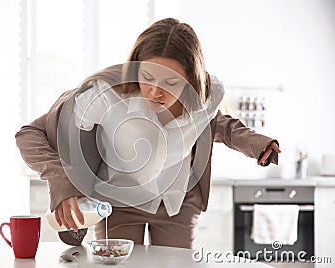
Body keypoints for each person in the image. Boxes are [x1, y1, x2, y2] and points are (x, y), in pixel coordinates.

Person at [15, 18, 281, 249]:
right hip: (117, 204)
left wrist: (256, 143)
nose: (155, 91)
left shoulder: (208, 95)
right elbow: (30, 134)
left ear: (191, 79)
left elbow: (214, 122)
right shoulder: (105, 96)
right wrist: (62, 182)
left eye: (171, 82)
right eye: (148, 77)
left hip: (178, 204)